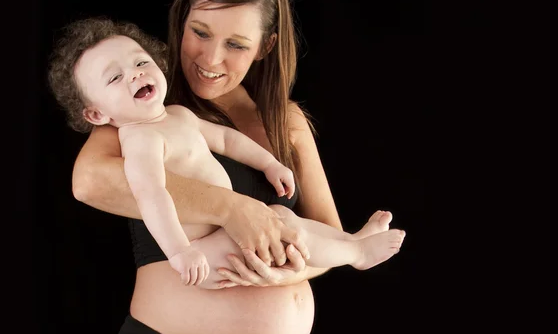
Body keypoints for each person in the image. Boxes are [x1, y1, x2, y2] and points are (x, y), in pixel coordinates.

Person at [56, 0, 407, 334]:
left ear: (265, 46)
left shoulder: (286, 122)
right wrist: (234, 208)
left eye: (236, 44)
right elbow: (90, 183)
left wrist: (288, 269)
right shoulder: (139, 107)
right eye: (199, 32)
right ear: (181, 21)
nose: (210, 57)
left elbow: (330, 235)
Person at [48, 17, 406, 288]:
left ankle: (353, 241)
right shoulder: (139, 140)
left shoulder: (177, 116)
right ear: (97, 115)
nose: (134, 75)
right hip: (203, 249)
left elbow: (225, 140)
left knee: (282, 215)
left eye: (140, 63)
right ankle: (357, 254)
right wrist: (179, 252)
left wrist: (269, 163)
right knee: (279, 228)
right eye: (114, 78)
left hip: (226, 236)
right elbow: (151, 195)